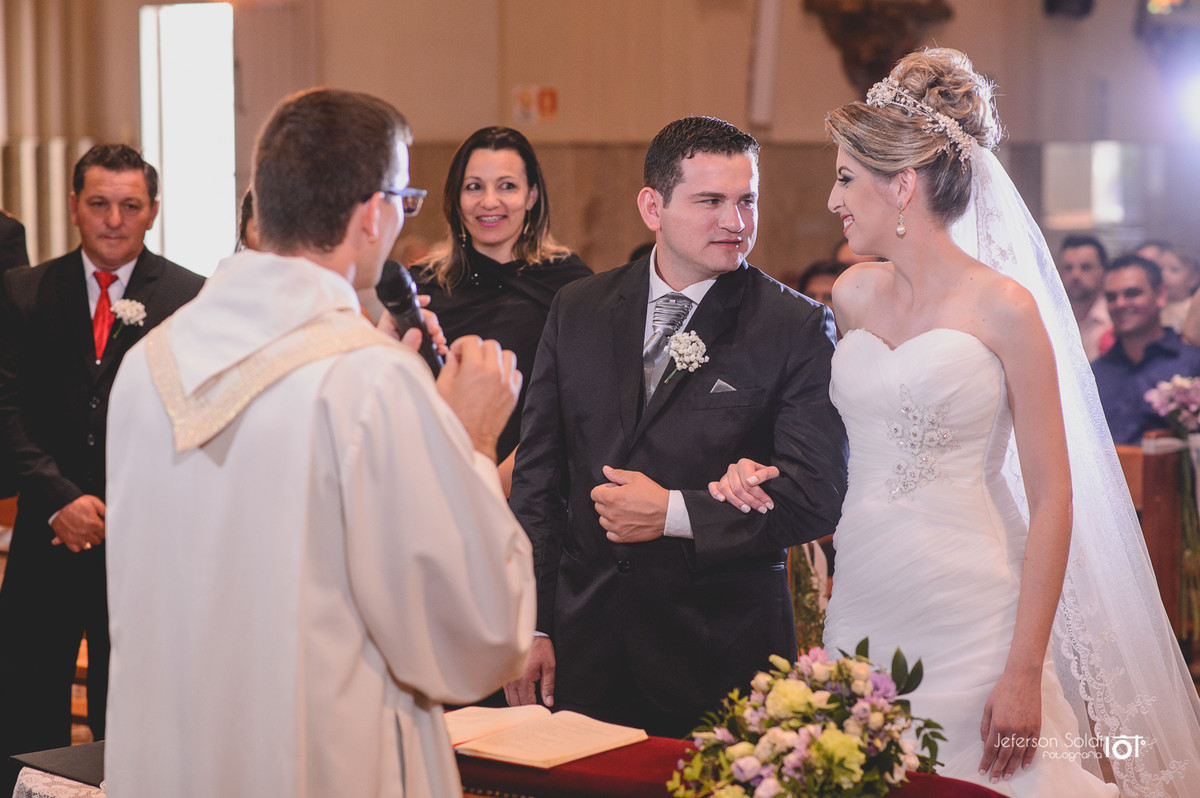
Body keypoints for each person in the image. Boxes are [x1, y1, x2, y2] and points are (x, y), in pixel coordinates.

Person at [710, 48, 1200, 796]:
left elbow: (1054, 497)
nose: (834, 199)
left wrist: (1025, 669)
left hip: (976, 603)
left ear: (901, 185)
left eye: (846, 177)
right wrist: (765, 468)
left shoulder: (1005, 308)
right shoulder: (853, 295)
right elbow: (845, 440)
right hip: (868, 588)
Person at [103, 88, 535, 798]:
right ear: (372, 212)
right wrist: (474, 442)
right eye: (406, 199)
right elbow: (475, 638)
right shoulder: (367, 382)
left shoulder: (149, 366)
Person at [507, 115, 848, 738]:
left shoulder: (793, 326)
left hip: (718, 645)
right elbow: (540, 478)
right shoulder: (577, 309)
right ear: (652, 206)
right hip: (587, 642)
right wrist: (533, 621)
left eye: (748, 200)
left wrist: (671, 512)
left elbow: (814, 498)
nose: (735, 221)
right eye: (711, 201)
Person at [0, 144, 204, 794]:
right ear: (72, 207)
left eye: (130, 206)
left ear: (152, 213)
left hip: (140, 543)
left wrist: (123, 505)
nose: (113, 220)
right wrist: (59, 496)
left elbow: (192, 420)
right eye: (98, 204)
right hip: (46, 532)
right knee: (26, 708)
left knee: (133, 710)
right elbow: (6, 407)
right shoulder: (23, 291)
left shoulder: (189, 296)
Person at [414, 127, 591, 495]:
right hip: (433, 481)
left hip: (535, 488)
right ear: (455, 199)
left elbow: (578, 407)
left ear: (532, 196)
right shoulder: (424, 286)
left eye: (507, 186)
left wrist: (493, 485)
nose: (489, 201)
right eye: (474, 186)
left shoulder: (572, 286)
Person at [1091, 254, 1200, 444]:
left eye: (1132, 293)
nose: (1120, 304)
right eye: (1111, 297)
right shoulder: (1094, 375)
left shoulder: (1191, 364)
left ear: (1160, 295)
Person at [1057, 234, 1112, 361]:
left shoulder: (1115, 317)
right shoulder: (1048, 316)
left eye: (1086, 267)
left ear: (1102, 271)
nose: (1075, 275)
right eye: (1068, 268)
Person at [1137, 240, 1198, 333]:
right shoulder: (1155, 307)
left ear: (1193, 279)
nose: (1164, 275)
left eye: (1174, 270)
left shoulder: (1194, 308)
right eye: (1160, 269)